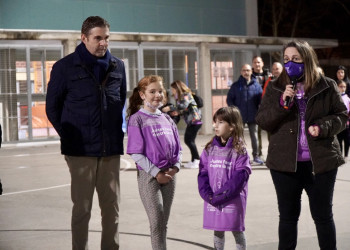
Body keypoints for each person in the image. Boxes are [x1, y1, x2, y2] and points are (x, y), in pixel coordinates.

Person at [256, 40, 347, 250]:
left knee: (323, 216)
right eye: (286, 59)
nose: (290, 64)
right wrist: (282, 104)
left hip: (321, 164)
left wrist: (323, 127)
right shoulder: (276, 86)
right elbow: (262, 120)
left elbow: (342, 116)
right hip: (285, 165)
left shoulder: (327, 85)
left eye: (296, 59)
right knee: (288, 218)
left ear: (307, 59)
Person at [46, 16, 126, 249]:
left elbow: (119, 102)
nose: (103, 43)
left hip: (110, 149)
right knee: (82, 208)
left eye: (107, 38)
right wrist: (71, 136)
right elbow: (53, 107)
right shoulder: (64, 67)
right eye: (98, 38)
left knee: (112, 208)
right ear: (84, 38)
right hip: (80, 151)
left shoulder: (117, 66)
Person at [126, 75, 182, 250]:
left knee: (163, 223)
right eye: (152, 91)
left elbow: (178, 149)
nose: (157, 95)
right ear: (142, 95)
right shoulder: (137, 119)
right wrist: (157, 173)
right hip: (149, 176)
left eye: (160, 91)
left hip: (170, 175)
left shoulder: (167, 119)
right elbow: (136, 152)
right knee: (156, 221)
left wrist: (175, 168)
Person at [198, 106, 251, 250]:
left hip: (232, 198)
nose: (215, 125)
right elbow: (203, 173)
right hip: (213, 198)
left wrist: (221, 195)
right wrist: (208, 195)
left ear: (232, 126)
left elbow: (240, 178)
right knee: (218, 229)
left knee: (237, 230)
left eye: (220, 122)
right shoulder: (209, 149)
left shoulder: (239, 150)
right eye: (215, 121)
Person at [227, 64, 263, 165]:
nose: (246, 72)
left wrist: (259, 111)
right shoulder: (236, 85)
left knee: (254, 136)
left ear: (251, 71)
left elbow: (261, 101)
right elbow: (229, 99)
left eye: (248, 70)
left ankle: (256, 156)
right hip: (239, 117)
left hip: (253, 115)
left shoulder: (257, 86)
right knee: (238, 137)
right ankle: (239, 156)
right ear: (241, 72)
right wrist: (234, 112)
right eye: (244, 70)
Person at [170, 80, 202, 169]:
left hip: (195, 120)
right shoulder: (180, 97)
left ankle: (197, 160)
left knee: (189, 140)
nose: (172, 90)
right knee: (189, 140)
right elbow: (185, 109)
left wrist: (171, 108)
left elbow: (183, 106)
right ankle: (193, 160)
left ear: (177, 88)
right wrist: (178, 113)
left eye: (173, 89)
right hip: (192, 121)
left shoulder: (185, 95)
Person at [252, 56, 271, 160]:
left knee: (270, 132)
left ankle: (271, 154)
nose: (257, 64)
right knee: (257, 133)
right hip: (255, 108)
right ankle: (259, 154)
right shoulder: (250, 75)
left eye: (258, 62)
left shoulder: (268, 75)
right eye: (255, 62)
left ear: (262, 63)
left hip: (267, 108)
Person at [336, 80, 350, 161]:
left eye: (344, 87)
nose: (343, 88)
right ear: (337, 87)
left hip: (346, 121)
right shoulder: (336, 97)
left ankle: (346, 155)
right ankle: (340, 155)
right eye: (341, 86)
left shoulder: (347, 98)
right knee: (339, 138)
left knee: (347, 138)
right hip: (338, 121)